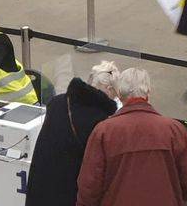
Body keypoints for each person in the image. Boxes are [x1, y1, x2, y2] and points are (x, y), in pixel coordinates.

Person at [77, 68, 187, 206]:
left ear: (119, 94)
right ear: (148, 93)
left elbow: (89, 187)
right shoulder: (174, 130)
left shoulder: (103, 131)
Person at [26, 61, 121, 206]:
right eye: (116, 93)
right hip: (69, 193)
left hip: (40, 186)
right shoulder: (101, 122)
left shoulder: (57, 102)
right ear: (108, 89)